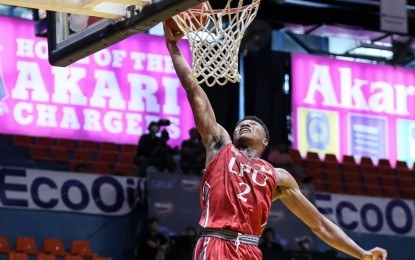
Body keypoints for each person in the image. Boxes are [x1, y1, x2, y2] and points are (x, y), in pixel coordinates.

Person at [163, 22, 387, 260]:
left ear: (265, 140)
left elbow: (318, 225)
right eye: (240, 124)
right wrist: (173, 47)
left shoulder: (278, 177)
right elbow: (194, 90)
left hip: (250, 249)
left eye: (253, 124)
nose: (244, 124)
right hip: (216, 242)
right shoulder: (221, 146)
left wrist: (361, 253)